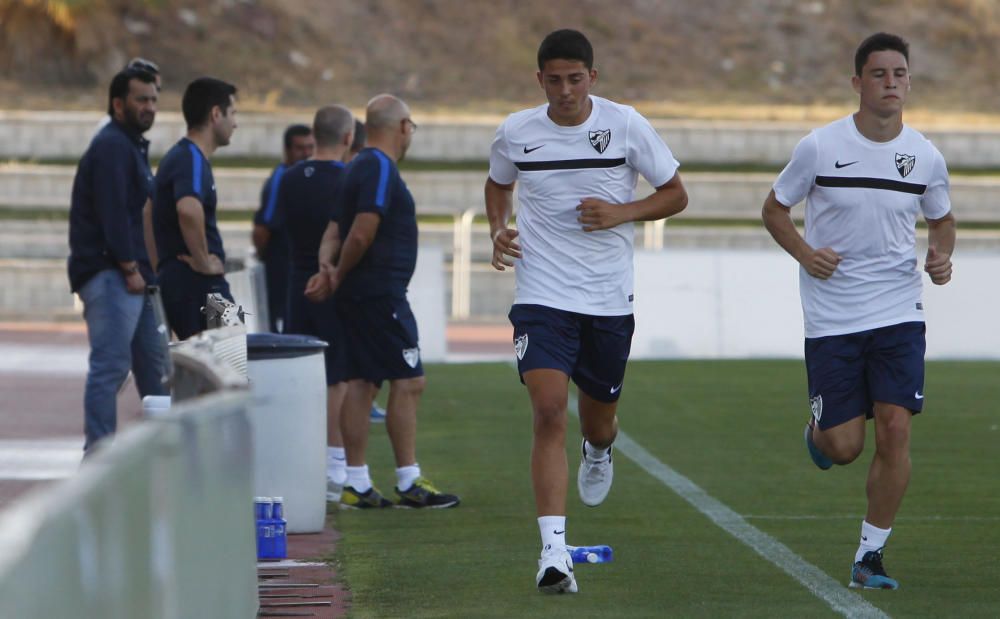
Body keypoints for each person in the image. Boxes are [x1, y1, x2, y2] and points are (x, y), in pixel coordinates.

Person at [485, 29, 688, 594]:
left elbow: (675, 193)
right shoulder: (517, 132)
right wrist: (499, 229)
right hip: (541, 297)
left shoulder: (625, 125)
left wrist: (623, 211)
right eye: (555, 80)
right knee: (549, 410)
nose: (567, 90)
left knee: (598, 418)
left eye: (577, 79)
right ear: (540, 79)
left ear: (593, 78)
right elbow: (497, 185)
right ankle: (554, 554)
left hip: (606, 300)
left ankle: (598, 450)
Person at [761, 32, 955, 590]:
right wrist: (804, 252)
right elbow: (775, 209)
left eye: (899, 74)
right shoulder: (820, 148)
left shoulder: (924, 154)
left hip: (898, 310)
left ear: (909, 82)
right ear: (857, 83)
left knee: (896, 430)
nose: (890, 83)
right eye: (878, 74)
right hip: (834, 317)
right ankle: (818, 435)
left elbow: (941, 218)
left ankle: (869, 556)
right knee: (844, 447)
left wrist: (942, 256)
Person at [308, 94, 460, 510]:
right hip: (379, 293)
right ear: (404, 127)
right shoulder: (377, 165)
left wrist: (327, 267)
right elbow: (359, 231)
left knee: (362, 382)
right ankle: (408, 479)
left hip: (362, 293)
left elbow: (334, 229)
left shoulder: (356, 164)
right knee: (410, 381)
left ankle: (356, 481)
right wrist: (337, 272)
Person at [68, 67, 169, 453]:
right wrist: (128, 266)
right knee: (109, 369)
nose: (149, 107)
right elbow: (112, 211)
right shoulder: (112, 146)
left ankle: (162, 461)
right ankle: (97, 459)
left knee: (156, 375)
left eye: (153, 100)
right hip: (113, 275)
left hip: (137, 277)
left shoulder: (130, 146)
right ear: (117, 103)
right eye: (141, 99)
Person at [274, 106, 355, 502]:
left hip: (295, 284)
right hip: (334, 285)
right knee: (337, 376)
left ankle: (300, 458)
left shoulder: (287, 178)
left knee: (300, 375)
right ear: (347, 138)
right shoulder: (349, 178)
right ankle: (335, 463)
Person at [152, 77, 239, 340]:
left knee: (207, 363)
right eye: (233, 113)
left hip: (185, 281)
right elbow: (188, 210)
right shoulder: (191, 159)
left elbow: (148, 211)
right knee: (232, 357)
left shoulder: (180, 156)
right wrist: (202, 261)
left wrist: (162, 267)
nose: (235, 123)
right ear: (216, 114)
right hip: (203, 284)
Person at [252, 124, 315, 332]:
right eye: (300, 148)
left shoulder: (305, 176)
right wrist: (266, 257)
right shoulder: (281, 179)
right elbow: (262, 228)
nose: (306, 153)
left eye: (309, 147)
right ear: (287, 150)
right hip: (280, 266)